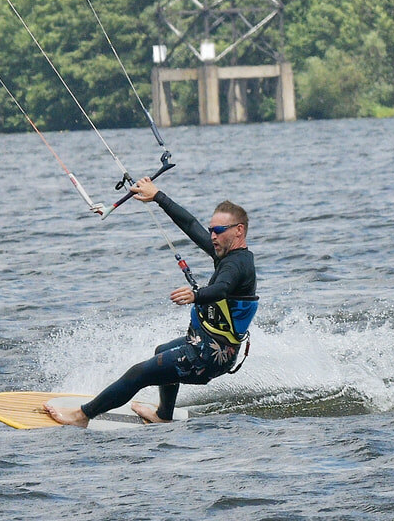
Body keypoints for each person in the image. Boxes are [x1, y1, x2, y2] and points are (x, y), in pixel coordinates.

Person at [44, 177, 258, 427]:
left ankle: (82, 416)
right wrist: (158, 196)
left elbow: (222, 288)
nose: (211, 236)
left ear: (239, 230)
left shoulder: (236, 264)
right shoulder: (227, 253)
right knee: (161, 351)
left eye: (218, 231)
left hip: (209, 356)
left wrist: (195, 295)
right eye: (211, 230)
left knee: (140, 373)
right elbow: (190, 224)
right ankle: (163, 415)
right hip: (209, 345)